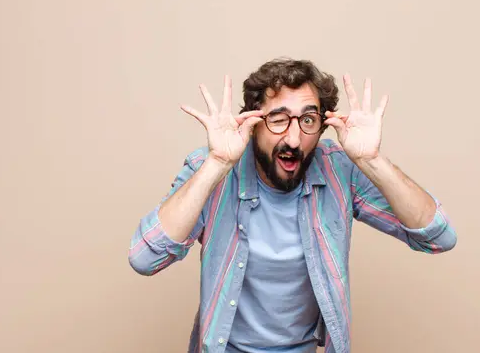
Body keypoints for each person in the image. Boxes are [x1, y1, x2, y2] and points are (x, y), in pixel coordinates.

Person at [128, 58, 457, 353]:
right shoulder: (211, 169)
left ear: (323, 127)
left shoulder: (340, 170)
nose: (294, 139)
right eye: (278, 119)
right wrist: (216, 163)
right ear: (254, 122)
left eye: (308, 120)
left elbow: (437, 237)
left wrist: (371, 161)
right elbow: (145, 258)